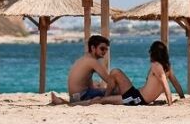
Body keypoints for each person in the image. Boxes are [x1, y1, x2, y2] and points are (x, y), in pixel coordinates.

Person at [51, 36, 180, 106]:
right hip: (136, 94)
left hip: (137, 99)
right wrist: (182, 97)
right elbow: (176, 84)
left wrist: (170, 102)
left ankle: (66, 103)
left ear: (152, 53)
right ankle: (106, 96)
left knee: (100, 100)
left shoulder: (156, 66)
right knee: (115, 72)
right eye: (103, 49)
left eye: (105, 49)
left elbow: (165, 83)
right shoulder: (167, 66)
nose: (105, 52)